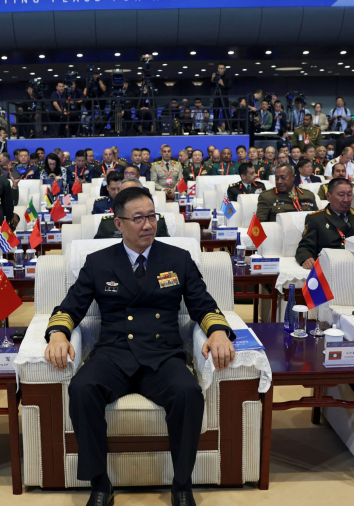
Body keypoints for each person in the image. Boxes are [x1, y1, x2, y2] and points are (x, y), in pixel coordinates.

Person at [45, 186, 233, 506]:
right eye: (138, 218)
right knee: (82, 388)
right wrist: (57, 335)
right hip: (115, 354)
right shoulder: (99, 262)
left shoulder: (177, 259)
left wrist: (217, 332)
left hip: (162, 355)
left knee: (188, 392)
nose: (147, 225)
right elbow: (69, 308)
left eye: (151, 216)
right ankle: (100, 483)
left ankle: (182, 484)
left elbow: (203, 304)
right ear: (118, 224)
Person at [296, 178, 354, 269]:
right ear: (328, 196)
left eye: (349, 195)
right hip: (332, 266)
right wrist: (306, 258)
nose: (346, 199)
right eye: (341, 195)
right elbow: (305, 247)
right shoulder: (316, 219)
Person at [95, 178, 170, 239]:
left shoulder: (158, 223)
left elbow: (164, 250)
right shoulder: (107, 224)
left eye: (134, 193)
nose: (130, 196)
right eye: (125, 193)